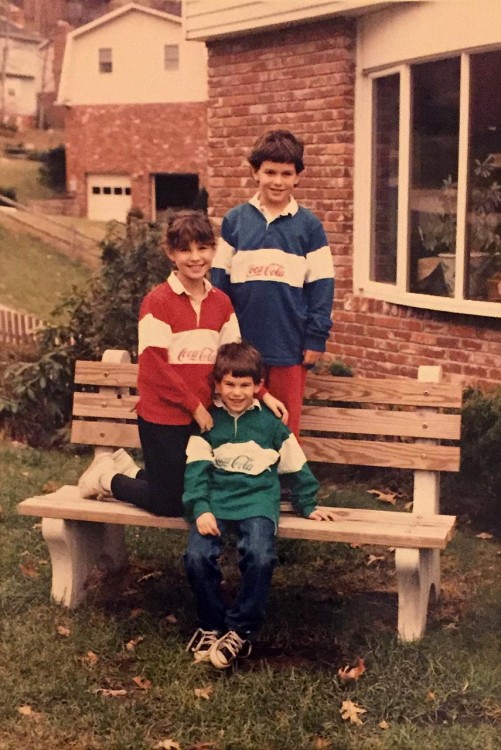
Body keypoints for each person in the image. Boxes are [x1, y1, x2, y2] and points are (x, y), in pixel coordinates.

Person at [77, 210, 286, 516]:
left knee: (202, 488)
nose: (195, 257)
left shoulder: (221, 303)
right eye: (185, 250)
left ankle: (129, 469)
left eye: (202, 248)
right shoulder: (158, 302)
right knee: (171, 503)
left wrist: (263, 393)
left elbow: (235, 360)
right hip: (163, 417)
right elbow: (155, 367)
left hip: (201, 417)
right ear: (170, 254)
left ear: (213, 250)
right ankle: (107, 478)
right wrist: (195, 406)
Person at [183, 341, 335, 669]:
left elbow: (296, 465)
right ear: (218, 385)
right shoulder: (208, 422)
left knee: (260, 555)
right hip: (216, 500)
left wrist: (307, 504)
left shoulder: (269, 423)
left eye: (245, 385)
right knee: (197, 557)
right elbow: (195, 471)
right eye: (230, 384)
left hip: (257, 500)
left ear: (257, 386)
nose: (237, 392)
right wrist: (201, 508)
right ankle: (211, 625)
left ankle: (240, 628)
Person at [211, 129, 335, 438]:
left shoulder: (309, 227)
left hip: (288, 345)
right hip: (241, 344)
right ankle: (243, 483)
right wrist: (223, 337)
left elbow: (322, 285)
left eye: (285, 173)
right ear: (255, 172)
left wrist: (315, 338)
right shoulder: (235, 221)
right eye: (269, 172)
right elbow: (218, 283)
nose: (277, 181)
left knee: (283, 426)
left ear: (297, 178)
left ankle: (284, 486)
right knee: (239, 423)